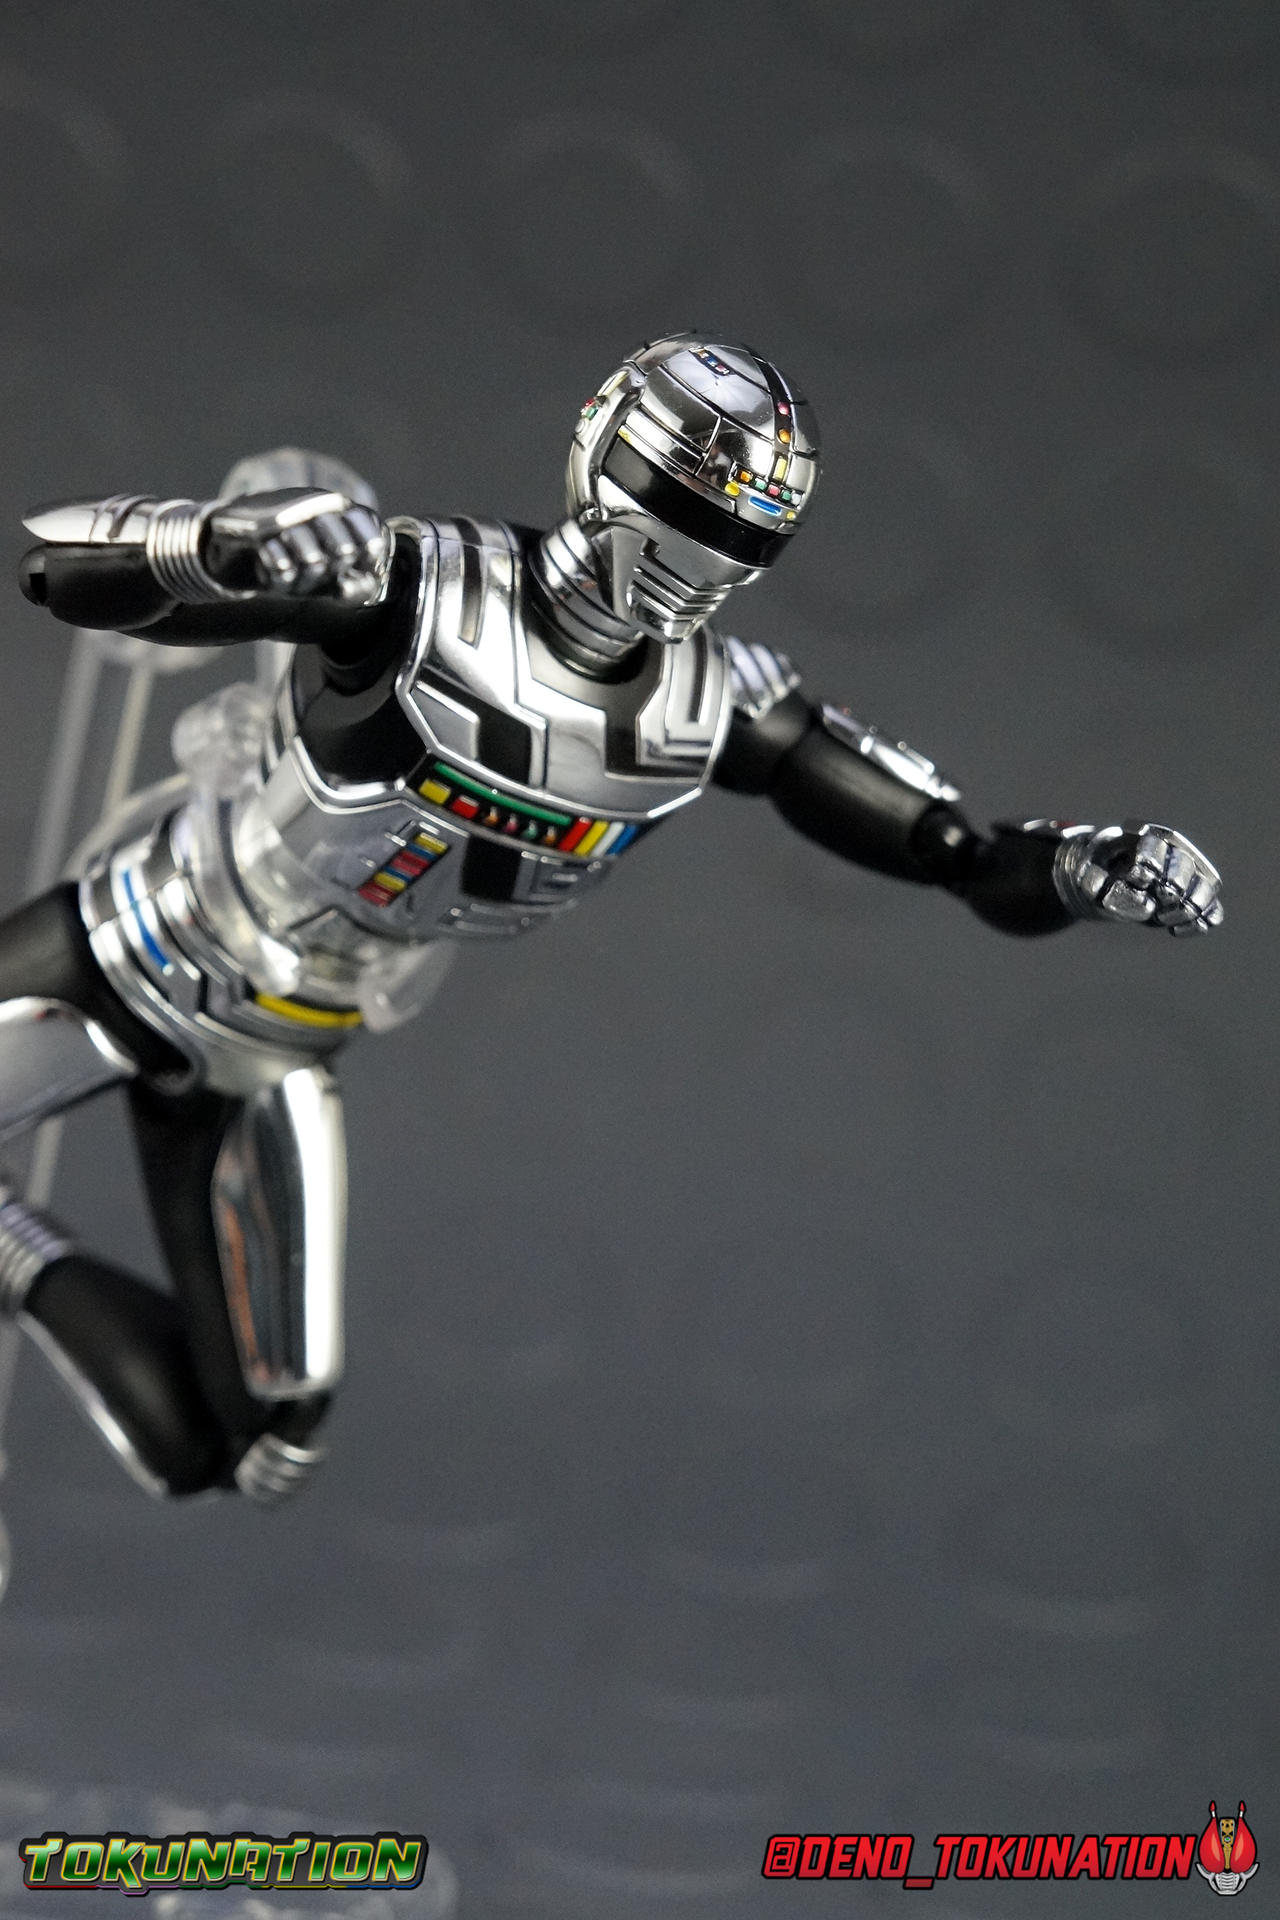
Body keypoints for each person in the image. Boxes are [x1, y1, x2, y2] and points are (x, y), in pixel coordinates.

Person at [0, 334, 1223, 1502]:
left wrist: (1078, 871)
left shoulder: (713, 702)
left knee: (263, 1443)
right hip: (151, 933)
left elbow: (951, 852)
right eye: (683, 510)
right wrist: (218, 550)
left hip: (290, 1037)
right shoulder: (412, 586)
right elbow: (59, 568)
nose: (700, 558)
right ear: (603, 462)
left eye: (737, 534)